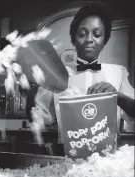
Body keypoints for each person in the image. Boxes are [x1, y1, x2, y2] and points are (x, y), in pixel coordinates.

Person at [29, 4, 135, 140]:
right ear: (74, 38)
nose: (90, 39)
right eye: (83, 34)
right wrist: (30, 91)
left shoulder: (118, 73)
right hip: (68, 158)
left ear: (104, 40)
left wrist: (118, 97)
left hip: (109, 159)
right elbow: (40, 119)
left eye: (97, 34)